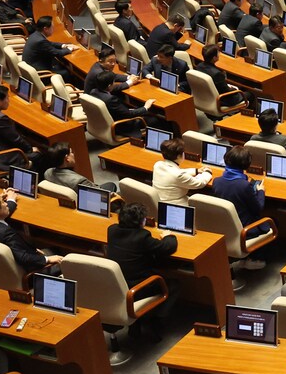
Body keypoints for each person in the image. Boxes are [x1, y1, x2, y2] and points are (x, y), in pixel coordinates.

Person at [105, 201, 177, 340]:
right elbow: (168, 247)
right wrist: (169, 235)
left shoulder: (112, 230)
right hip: (139, 287)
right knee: (174, 286)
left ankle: (138, 323)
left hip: (119, 285)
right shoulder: (142, 237)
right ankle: (154, 320)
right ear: (140, 222)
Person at [0, 189, 61, 273]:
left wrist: (10, 199)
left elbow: (6, 211)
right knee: (60, 255)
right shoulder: (6, 233)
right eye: (3, 202)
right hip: (30, 270)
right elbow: (23, 258)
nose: (6, 204)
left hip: (0, 270)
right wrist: (48, 259)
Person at [210, 146, 271, 258]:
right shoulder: (244, 186)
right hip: (245, 229)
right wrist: (261, 191)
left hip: (226, 227)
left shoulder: (216, 181)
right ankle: (257, 258)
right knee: (271, 220)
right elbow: (258, 208)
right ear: (246, 165)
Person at [152, 138, 213, 205]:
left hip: (159, 202)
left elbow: (176, 172)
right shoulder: (178, 175)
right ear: (178, 156)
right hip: (175, 205)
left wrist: (196, 171)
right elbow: (199, 183)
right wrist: (207, 172)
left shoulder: (158, 165)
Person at [37, 143, 103, 193]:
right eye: (71, 152)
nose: (73, 154)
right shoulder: (79, 181)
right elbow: (99, 195)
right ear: (67, 158)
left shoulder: (47, 173)